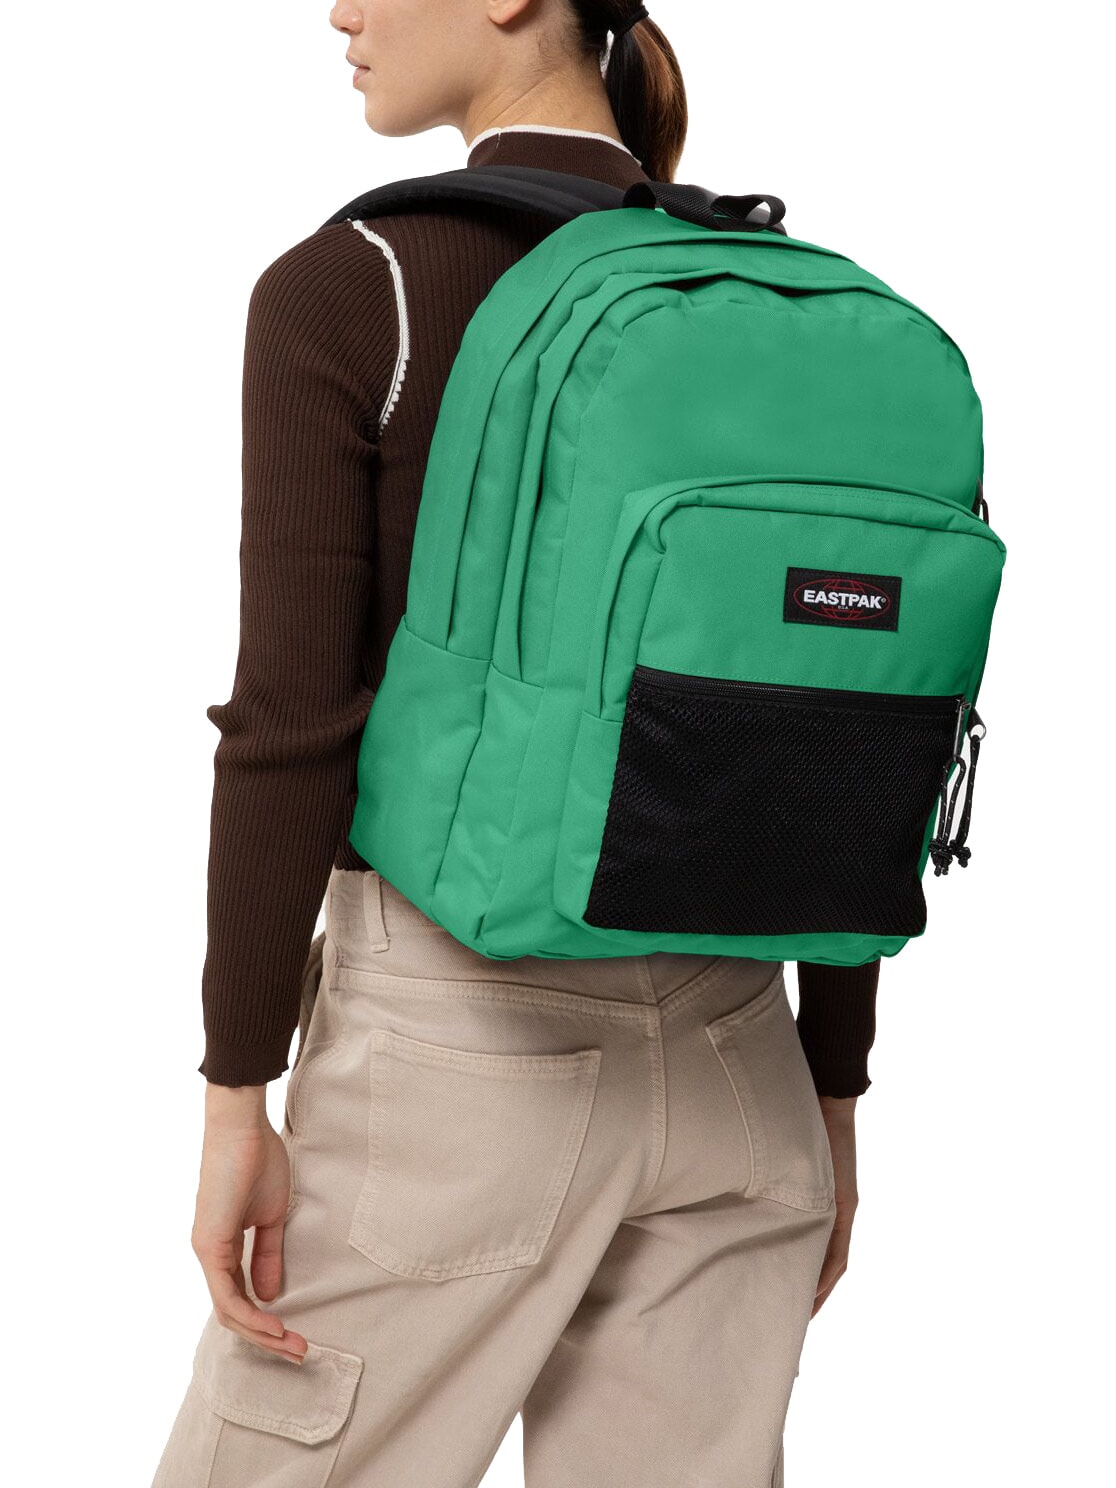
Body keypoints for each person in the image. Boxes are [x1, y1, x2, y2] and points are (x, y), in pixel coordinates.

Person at [153, 3, 880, 1484]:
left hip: (458, 1052)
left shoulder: (358, 284)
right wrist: (831, 1083)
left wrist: (237, 1091)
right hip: (744, 1057)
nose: (342, 11)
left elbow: (291, 724)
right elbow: (836, 722)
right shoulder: (781, 300)